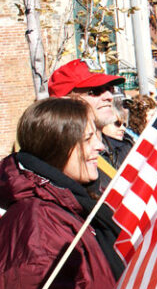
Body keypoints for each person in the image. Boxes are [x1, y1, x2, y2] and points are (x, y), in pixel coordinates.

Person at [0, 98, 145, 289]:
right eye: (88, 138)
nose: (101, 147)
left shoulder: (65, 202)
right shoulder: (37, 224)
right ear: (59, 146)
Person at [48, 58, 126, 192]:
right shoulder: (57, 165)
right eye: (95, 91)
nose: (109, 96)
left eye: (110, 89)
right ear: (66, 102)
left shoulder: (126, 146)